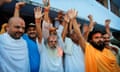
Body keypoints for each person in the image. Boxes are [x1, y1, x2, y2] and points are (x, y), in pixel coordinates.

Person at [34, 7, 63, 72]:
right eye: (51, 41)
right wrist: (38, 22)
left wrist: (61, 20)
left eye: (55, 41)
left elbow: (61, 33)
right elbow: (40, 36)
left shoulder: (59, 48)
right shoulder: (43, 48)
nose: (53, 43)